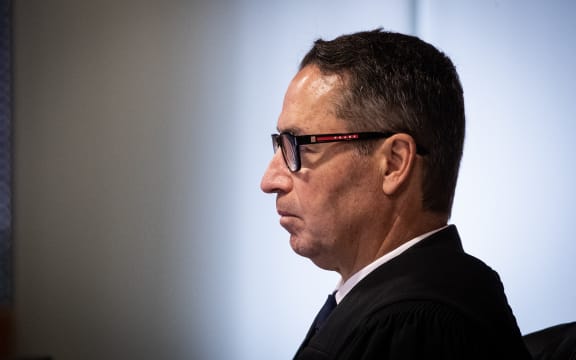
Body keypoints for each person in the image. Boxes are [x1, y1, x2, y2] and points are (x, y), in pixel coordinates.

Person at [260, 29, 532, 359]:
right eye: (280, 145)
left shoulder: (416, 327)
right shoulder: (394, 305)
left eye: (298, 146)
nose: (270, 180)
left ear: (393, 163)